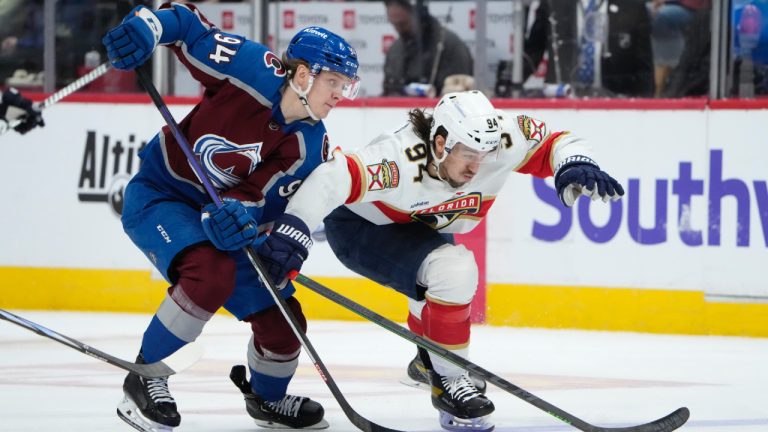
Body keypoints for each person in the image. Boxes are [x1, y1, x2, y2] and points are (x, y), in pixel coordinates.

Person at [255, 90, 624, 431]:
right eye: (468, 155)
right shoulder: (398, 157)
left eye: (485, 155)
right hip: (360, 227)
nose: (477, 168)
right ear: (441, 142)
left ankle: (428, 363)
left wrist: (574, 163)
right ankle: (448, 383)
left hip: (420, 222)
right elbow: (331, 179)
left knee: (440, 280)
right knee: (453, 269)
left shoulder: (502, 139)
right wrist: (294, 230)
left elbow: (557, 141)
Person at [101, 2, 359, 431]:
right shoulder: (248, 67)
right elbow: (184, 24)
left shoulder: (309, 147)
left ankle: (267, 401)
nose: (339, 95)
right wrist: (148, 29)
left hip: (214, 219)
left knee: (282, 316)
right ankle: (145, 377)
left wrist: (242, 217)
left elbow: (257, 200)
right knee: (210, 272)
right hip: (161, 195)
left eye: (346, 86)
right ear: (301, 75)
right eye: (333, 82)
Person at [523, 0, 655, 97]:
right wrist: (509, 84)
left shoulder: (633, 6)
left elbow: (644, 70)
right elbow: (532, 53)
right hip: (562, 104)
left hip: (615, 106)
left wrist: (642, 111)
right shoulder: (553, 4)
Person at [382, 0, 473, 97]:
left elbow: (460, 97)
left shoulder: (449, 46)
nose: (398, 30)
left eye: (403, 24)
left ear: (419, 16)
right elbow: (388, 92)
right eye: (394, 25)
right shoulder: (395, 50)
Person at [650, 0, 711, 97]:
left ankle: (662, 79)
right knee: (642, 13)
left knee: (663, 17)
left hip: (695, 10)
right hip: (671, 4)